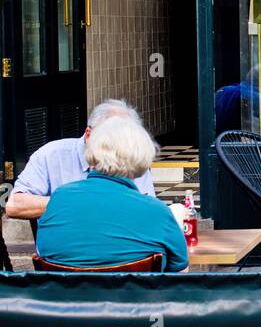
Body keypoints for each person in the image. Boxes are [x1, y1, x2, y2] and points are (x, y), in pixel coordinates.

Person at [34, 116, 189, 271]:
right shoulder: (156, 211)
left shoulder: (58, 199)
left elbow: (44, 251)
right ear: (140, 160)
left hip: (66, 294)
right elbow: (178, 266)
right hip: (135, 294)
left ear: (91, 155)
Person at [5, 99, 156, 220]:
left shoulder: (130, 158)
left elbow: (148, 210)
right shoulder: (51, 154)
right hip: (64, 252)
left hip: (120, 247)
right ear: (89, 134)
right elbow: (14, 205)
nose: (118, 146)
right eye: (110, 138)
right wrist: (76, 202)